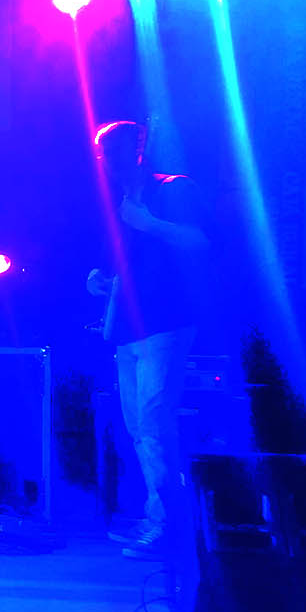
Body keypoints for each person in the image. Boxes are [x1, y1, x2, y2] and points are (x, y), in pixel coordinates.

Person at [85, 120, 209, 558]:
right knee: (140, 428)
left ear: (136, 150)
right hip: (128, 329)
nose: (107, 163)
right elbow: (119, 265)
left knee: (155, 423)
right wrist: (99, 279)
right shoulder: (119, 203)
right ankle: (159, 517)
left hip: (167, 323)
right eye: (102, 155)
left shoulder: (174, 189)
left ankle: (171, 525)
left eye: (112, 153)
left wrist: (150, 223)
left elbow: (200, 241)